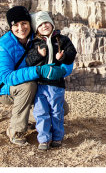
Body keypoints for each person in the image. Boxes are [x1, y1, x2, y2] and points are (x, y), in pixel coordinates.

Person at [0, 6, 71, 146]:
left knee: (62, 108)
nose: (20, 28)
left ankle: (31, 120)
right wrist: (38, 71)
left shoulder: (38, 37)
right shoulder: (3, 45)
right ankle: (16, 130)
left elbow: (64, 57)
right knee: (28, 86)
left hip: (38, 86)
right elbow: (6, 76)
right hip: (8, 90)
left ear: (30, 24)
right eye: (15, 25)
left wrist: (63, 70)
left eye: (24, 23)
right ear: (10, 27)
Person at [26, 11, 77, 150]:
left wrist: (63, 56)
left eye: (46, 22)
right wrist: (38, 54)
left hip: (56, 85)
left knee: (57, 111)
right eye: (40, 24)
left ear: (52, 24)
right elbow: (28, 61)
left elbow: (72, 54)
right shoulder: (34, 43)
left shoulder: (62, 40)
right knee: (40, 112)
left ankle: (57, 138)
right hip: (40, 84)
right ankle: (43, 139)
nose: (44, 26)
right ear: (36, 28)